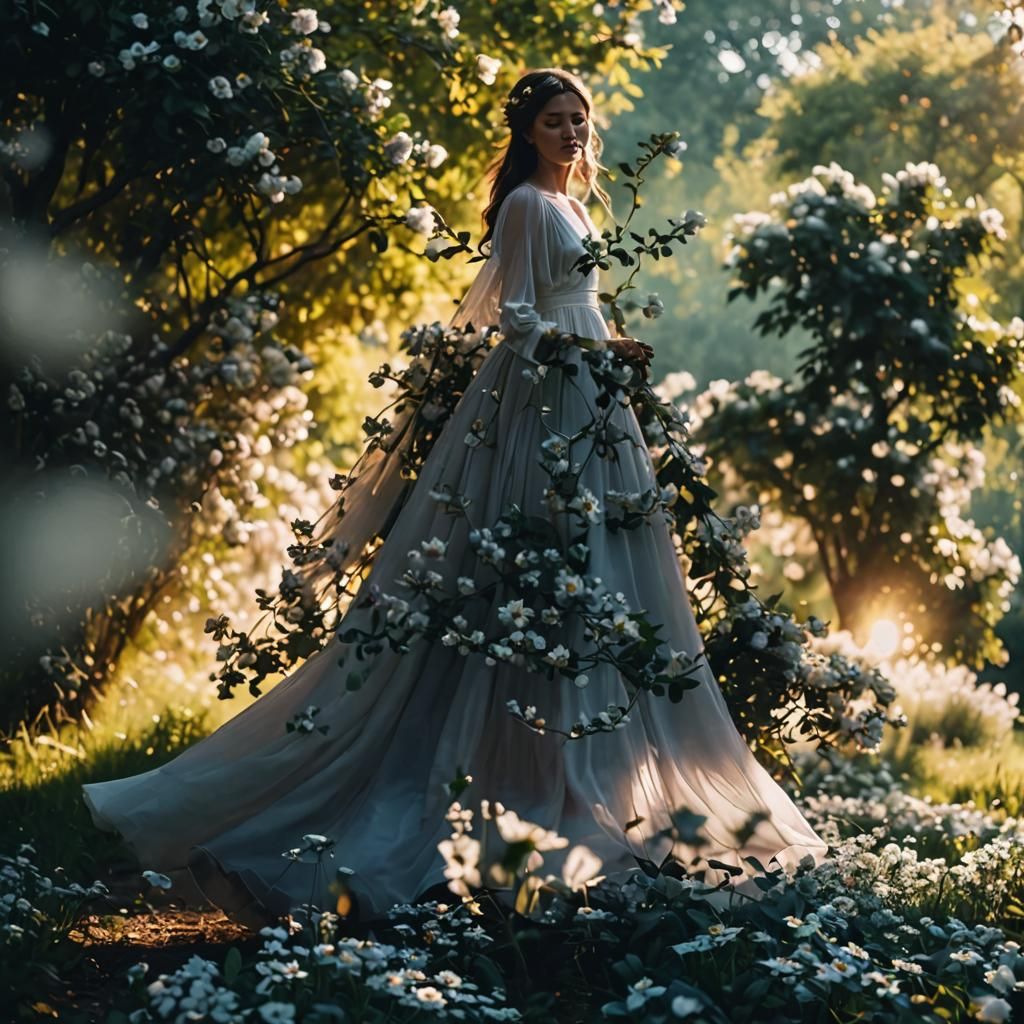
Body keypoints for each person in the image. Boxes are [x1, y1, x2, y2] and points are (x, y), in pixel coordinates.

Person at [83, 68, 829, 925]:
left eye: (579, 120)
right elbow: (516, 316)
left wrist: (609, 342)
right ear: (528, 130)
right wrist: (591, 357)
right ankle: (486, 780)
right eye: (555, 121)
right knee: (532, 565)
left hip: (590, 396)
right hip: (549, 400)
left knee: (602, 566)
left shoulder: (579, 205)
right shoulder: (526, 207)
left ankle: (576, 768)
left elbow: (569, 304)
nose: (572, 133)